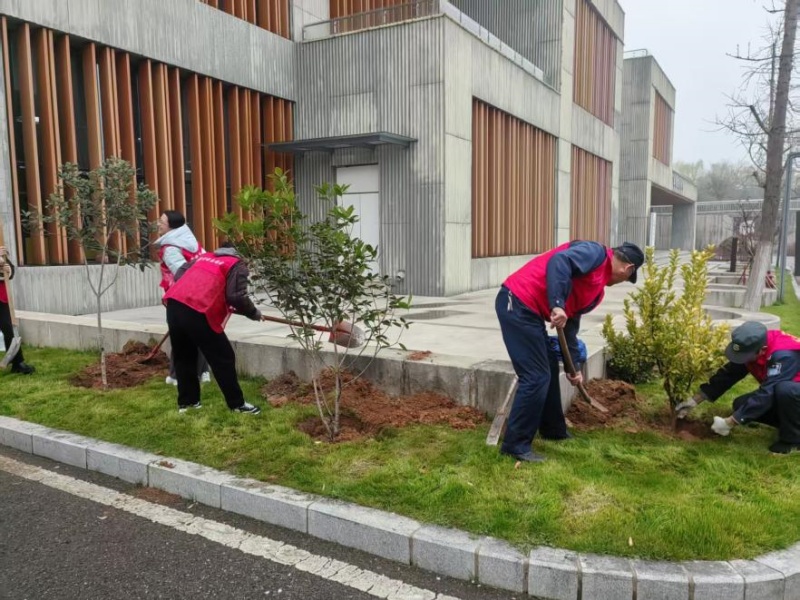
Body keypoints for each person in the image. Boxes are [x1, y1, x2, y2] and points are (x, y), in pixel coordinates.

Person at [496, 240, 645, 463]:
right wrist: (557, 304)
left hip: (531, 312)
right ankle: (515, 445)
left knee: (548, 367)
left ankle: (553, 430)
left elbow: (571, 326)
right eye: (627, 278)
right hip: (516, 300)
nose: (622, 281)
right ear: (628, 269)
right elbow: (560, 261)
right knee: (536, 376)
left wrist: (572, 367)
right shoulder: (595, 254)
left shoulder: (596, 292)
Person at [163, 242, 264, 414]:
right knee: (223, 356)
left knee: (184, 355)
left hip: (175, 303)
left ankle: (188, 403)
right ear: (242, 254)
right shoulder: (236, 264)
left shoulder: (204, 257)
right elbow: (236, 296)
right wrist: (254, 313)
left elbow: (180, 274)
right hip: (198, 309)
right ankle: (237, 404)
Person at [676, 321, 800, 454]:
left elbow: (768, 392)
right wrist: (695, 400)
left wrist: (731, 422)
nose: (742, 359)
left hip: (792, 391)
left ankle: (792, 440)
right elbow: (728, 374)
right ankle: (791, 424)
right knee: (741, 405)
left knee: (785, 390)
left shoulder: (784, 355)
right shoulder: (753, 343)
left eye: (745, 356)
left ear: (762, 350)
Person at [155, 210, 210, 386]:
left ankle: (179, 376)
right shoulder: (193, 243)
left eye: (161, 221)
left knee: (181, 337)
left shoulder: (171, 248)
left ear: (171, 226)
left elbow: (182, 274)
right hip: (199, 294)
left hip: (180, 297)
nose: (158, 224)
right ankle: (202, 372)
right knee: (198, 334)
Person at [0, 246, 34, 375]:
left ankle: (17, 363)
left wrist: (7, 269)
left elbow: (10, 270)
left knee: (9, 329)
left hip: (1, 299)